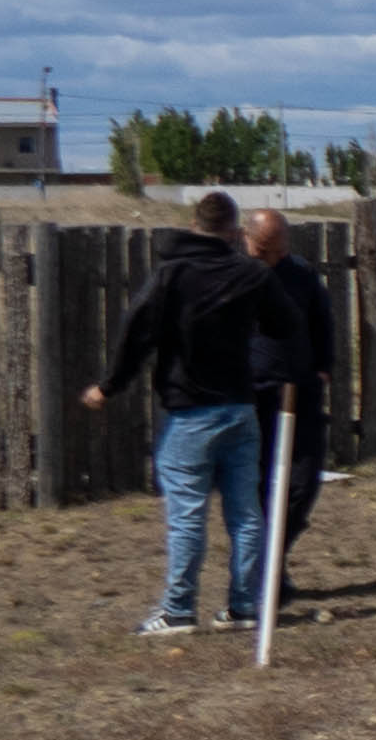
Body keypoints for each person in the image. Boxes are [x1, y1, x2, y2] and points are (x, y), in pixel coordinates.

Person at [78, 188, 269, 638]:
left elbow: (137, 332)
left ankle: (179, 610)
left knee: (187, 514)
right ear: (235, 232)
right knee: (245, 513)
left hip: (190, 413)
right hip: (240, 408)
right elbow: (285, 322)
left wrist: (109, 386)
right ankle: (244, 606)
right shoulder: (251, 274)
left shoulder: (171, 274)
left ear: (192, 226)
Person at [231, 204, 347, 598]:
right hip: (252, 394)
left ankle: (271, 559)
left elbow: (322, 321)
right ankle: (263, 577)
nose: (273, 259)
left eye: (279, 250)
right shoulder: (232, 274)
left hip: (301, 390)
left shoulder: (300, 274)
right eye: (265, 250)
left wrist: (324, 366)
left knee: (303, 482)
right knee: (260, 486)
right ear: (247, 238)